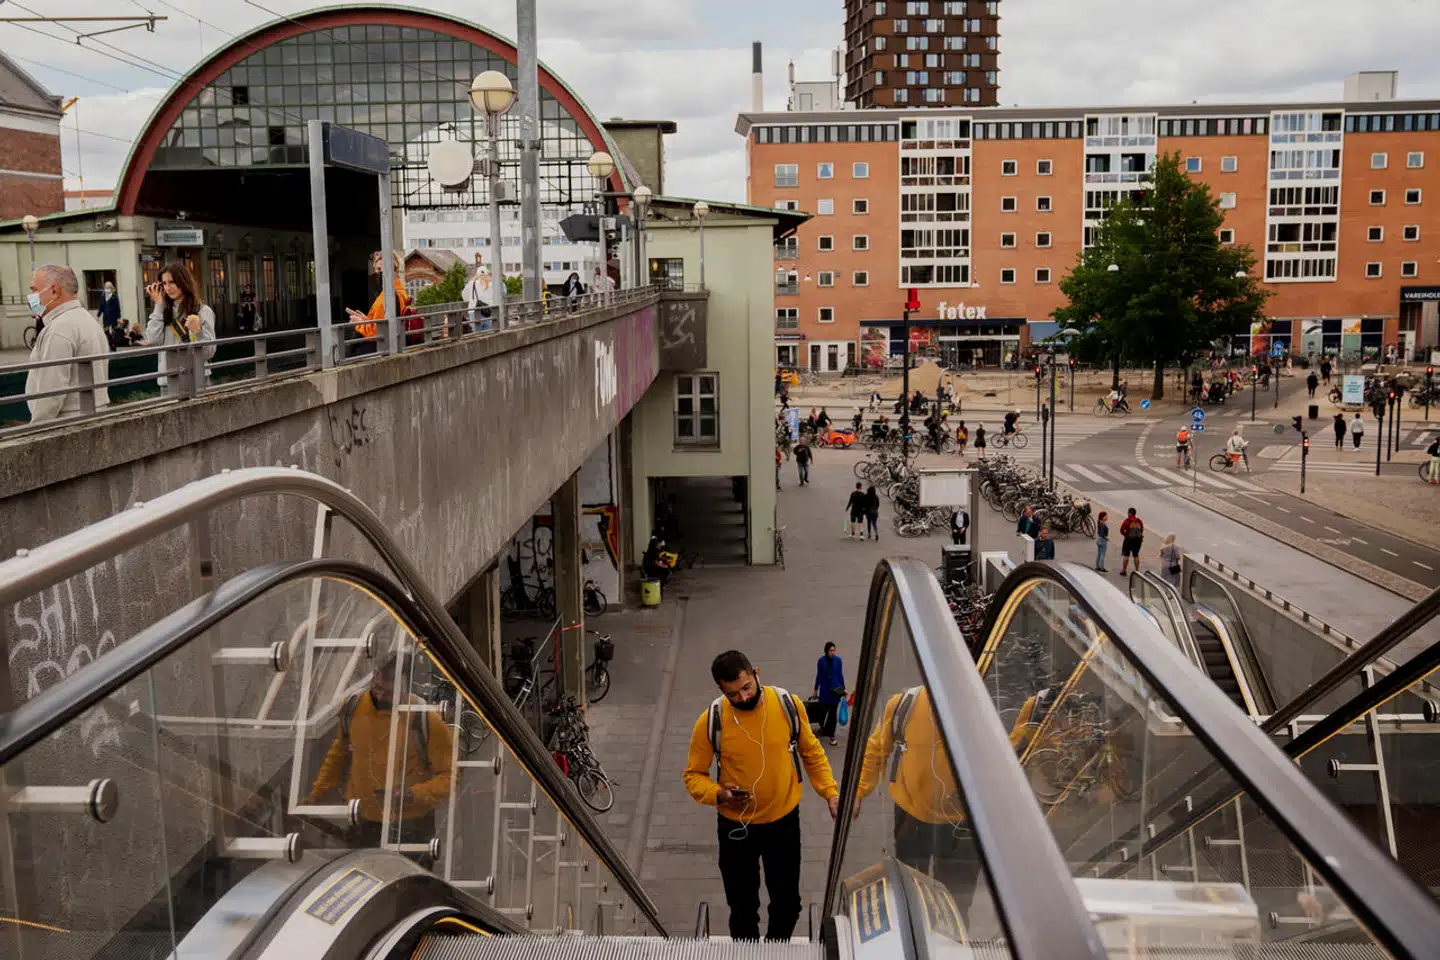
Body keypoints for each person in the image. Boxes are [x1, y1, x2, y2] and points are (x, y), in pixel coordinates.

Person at [683, 651, 838, 941]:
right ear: (720, 690)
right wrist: (719, 794)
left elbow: (812, 752)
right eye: (733, 694)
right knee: (742, 909)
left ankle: (774, 950)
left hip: (783, 823)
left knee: (788, 906)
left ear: (756, 673)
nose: (743, 698)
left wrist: (830, 792)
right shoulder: (711, 720)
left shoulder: (787, 704)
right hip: (736, 828)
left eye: (746, 687)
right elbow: (693, 775)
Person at [307, 654, 454, 860]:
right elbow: (338, 754)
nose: (380, 696)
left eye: (389, 693)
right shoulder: (353, 707)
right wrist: (317, 793)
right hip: (362, 821)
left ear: (405, 689)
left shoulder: (425, 719)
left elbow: (450, 776)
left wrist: (412, 794)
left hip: (410, 827)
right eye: (377, 688)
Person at [855, 686, 980, 894]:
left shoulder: (979, 712)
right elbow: (876, 748)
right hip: (911, 818)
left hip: (960, 824)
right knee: (911, 889)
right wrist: (858, 791)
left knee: (955, 898)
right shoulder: (904, 705)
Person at [24, 264, 111, 422]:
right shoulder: (88, 320)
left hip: (67, 420)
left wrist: (38, 427)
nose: (31, 296)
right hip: (94, 414)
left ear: (54, 290)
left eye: (34, 289)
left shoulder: (59, 329)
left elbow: (51, 390)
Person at [144, 261, 217, 391]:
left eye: (172, 282)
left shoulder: (202, 311)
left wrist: (198, 332)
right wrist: (159, 305)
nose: (168, 288)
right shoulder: (162, 312)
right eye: (164, 283)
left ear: (183, 282)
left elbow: (208, 352)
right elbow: (152, 340)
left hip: (196, 377)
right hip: (168, 379)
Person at [346, 250, 409, 351]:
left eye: (380, 269)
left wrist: (360, 324)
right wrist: (366, 320)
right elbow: (382, 323)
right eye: (377, 269)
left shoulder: (388, 297)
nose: (377, 273)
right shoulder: (398, 292)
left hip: (380, 346)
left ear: (393, 271)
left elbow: (378, 331)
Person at [812, 643, 847, 746]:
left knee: (832, 714)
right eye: (830, 651)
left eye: (833, 650)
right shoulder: (821, 661)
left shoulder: (838, 661)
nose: (832, 652)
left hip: (835, 690)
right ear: (826, 651)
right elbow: (819, 675)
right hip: (825, 690)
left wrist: (843, 689)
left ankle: (832, 735)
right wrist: (815, 688)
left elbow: (840, 675)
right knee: (822, 711)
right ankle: (824, 728)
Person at [463, 263, 492, 333]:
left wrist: (472, 300)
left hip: (474, 311)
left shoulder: (471, 283)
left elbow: (464, 296)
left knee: (476, 334)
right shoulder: (491, 284)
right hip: (488, 311)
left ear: (477, 274)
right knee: (488, 333)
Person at [1119, 508, 1144, 576]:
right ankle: (1137, 570)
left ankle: (1124, 571)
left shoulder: (1127, 521)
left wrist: (1126, 535)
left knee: (1126, 555)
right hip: (1137, 541)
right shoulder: (1139, 521)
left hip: (1129, 540)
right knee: (1136, 555)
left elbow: (1121, 530)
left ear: (1129, 513)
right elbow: (1141, 530)